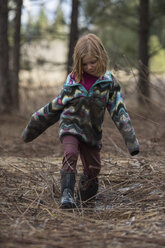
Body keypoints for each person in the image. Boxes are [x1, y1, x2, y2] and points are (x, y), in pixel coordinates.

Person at [22, 33, 139, 209]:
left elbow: (118, 110)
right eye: (84, 64)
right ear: (78, 62)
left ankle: (85, 198)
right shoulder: (73, 82)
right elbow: (55, 106)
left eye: (93, 62)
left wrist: (131, 140)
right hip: (70, 126)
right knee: (71, 153)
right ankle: (66, 194)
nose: (89, 67)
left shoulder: (108, 83)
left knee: (94, 169)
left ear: (102, 57)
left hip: (92, 131)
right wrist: (33, 126)